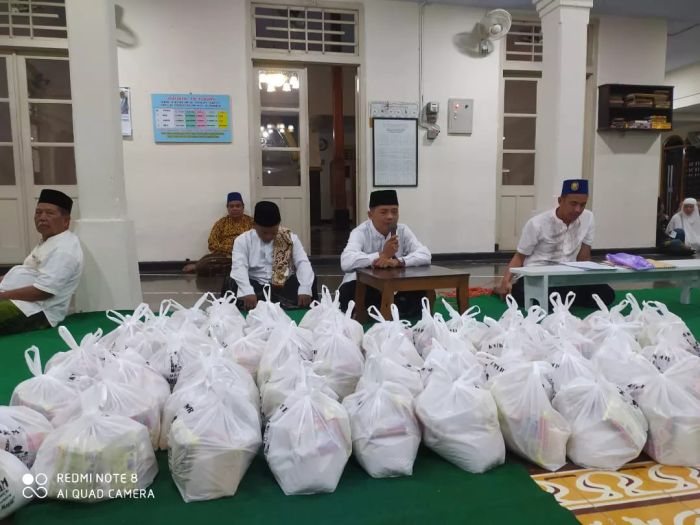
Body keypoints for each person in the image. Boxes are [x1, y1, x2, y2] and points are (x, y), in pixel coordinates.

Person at [498, 179, 615, 309]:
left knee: (606, 295)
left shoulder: (588, 218)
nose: (577, 210)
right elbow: (520, 256)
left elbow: (584, 256)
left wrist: (587, 279)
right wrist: (506, 280)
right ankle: (509, 290)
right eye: (573, 204)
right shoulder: (537, 223)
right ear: (560, 200)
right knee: (546, 299)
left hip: (567, 277)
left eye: (582, 205)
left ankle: (565, 299)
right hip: (537, 277)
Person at [0, 189, 83, 335]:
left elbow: (43, 292)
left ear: (66, 221)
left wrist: (3, 295)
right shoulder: (49, 241)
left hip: (36, 311)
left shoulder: (65, 249)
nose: (42, 218)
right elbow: (27, 272)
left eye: (49, 213)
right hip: (19, 301)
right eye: (38, 213)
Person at [339, 189, 432, 317]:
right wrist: (381, 255)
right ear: (370, 214)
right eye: (384, 212)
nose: (390, 217)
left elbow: (425, 254)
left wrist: (399, 261)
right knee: (349, 293)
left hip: (394, 286)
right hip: (365, 286)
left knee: (423, 290)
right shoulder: (360, 232)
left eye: (394, 211)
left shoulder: (403, 230)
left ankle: (387, 311)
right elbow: (346, 261)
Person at [223, 201, 316, 310]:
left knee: (309, 280)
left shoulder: (289, 238)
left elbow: (302, 263)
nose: (269, 237)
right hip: (254, 285)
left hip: (283, 286)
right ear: (254, 225)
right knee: (231, 282)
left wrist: (305, 288)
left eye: (273, 232)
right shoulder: (242, 240)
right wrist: (247, 290)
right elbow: (239, 266)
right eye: (264, 233)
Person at [183, 192, 253, 275]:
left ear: (243, 207)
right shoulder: (221, 223)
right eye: (231, 206)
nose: (235, 208)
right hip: (224, 257)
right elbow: (212, 243)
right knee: (204, 262)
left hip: (244, 256)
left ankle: (230, 269)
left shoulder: (251, 222)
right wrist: (231, 250)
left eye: (238, 206)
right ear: (227, 208)